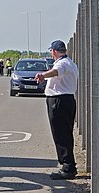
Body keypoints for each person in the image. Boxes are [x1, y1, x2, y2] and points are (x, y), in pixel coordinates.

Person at [34, 40, 79, 180]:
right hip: (67, 100)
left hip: (59, 101)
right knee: (65, 133)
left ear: (54, 51)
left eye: (51, 52)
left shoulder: (62, 63)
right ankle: (69, 164)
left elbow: (56, 72)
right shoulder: (71, 62)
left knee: (60, 134)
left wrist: (42, 75)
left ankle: (67, 167)